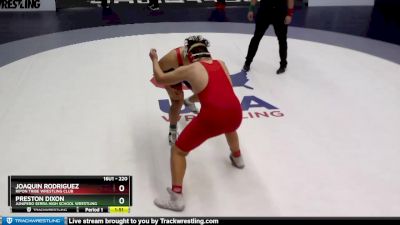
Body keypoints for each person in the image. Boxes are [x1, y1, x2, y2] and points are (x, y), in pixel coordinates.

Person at [149, 35, 245, 211]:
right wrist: (193, 98)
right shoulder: (221, 63)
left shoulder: (191, 68)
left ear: (189, 55)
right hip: (236, 113)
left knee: (178, 151)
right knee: (229, 127)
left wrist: (154, 59)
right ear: (208, 52)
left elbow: (161, 78)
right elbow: (222, 90)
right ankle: (237, 158)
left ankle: (177, 197)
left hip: (213, 117)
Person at [154, 46, 200, 145]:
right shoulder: (173, 57)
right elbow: (159, 72)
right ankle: (173, 130)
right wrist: (167, 86)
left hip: (189, 71)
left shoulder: (204, 59)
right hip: (171, 72)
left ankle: (189, 101)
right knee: (177, 101)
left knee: (205, 92)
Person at [243, 0, 294, 74]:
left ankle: (283, 64)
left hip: (280, 13)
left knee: (282, 39)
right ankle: (247, 62)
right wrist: (251, 9)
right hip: (264, 12)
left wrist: (289, 14)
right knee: (256, 38)